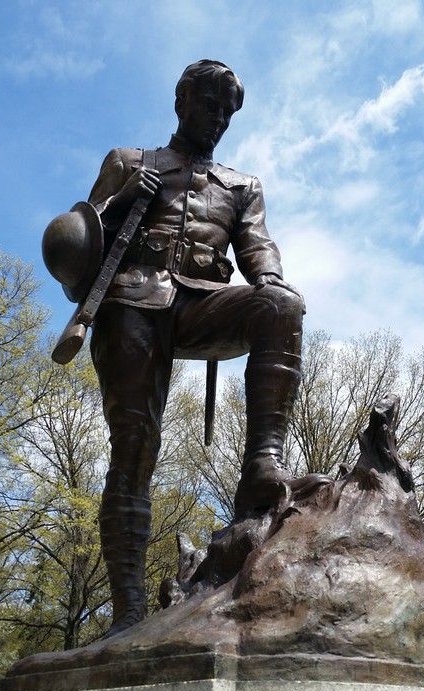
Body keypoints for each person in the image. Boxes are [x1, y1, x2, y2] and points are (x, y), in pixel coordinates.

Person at [78, 60, 321, 638]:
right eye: (209, 104)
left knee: (280, 305)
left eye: (227, 111)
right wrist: (118, 205)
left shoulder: (242, 187)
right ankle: (129, 612)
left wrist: (269, 279)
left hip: (201, 305)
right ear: (181, 100)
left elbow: (257, 248)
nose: (217, 118)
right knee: (134, 448)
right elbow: (80, 247)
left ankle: (262, 462)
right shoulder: (128, 162)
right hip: (133, 304)